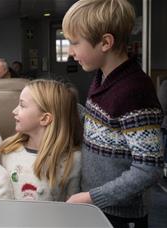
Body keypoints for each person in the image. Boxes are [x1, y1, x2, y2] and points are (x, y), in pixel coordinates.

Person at [62, 0, 164, 227]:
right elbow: (104, 125)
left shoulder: (134, 91)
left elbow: (148, 168)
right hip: (98, 204)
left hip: (120, 215)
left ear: (105, 43)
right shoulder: (103, 77)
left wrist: (92, 198)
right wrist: (61, 103)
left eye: (75, 43)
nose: (71, 52)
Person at [0, 79, 82, 201]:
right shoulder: (8, 150)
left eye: (22, 105)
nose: (14, 111)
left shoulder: (73, 160)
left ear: (44, 119)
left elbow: (73, 207)